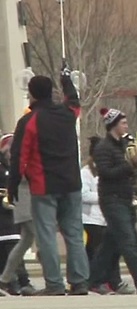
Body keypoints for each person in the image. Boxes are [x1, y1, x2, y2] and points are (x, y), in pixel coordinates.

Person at [8, 63, 90, 296]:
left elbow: (19, 157)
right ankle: (80, 281)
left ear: (31, 94)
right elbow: (74, 99)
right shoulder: (67, 114)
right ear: (51, 91)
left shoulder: (29, 121)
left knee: (46, 236)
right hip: (72, 183)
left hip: (44, 185)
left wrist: (13, 186)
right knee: (74, 233)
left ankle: (54, 284)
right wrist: (66, 78)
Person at [89, 107, 137, 295]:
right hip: (111, 198)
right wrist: (130, 164)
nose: (126, 126)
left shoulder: (124, 145)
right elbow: (106, 173)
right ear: (112, 125)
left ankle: (95, 280)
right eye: (123, 123)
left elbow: (128, 171)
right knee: (129, 241)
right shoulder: (103, 147)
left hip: (125, 196)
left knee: (111, 244)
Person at [82, 136, 134, 295]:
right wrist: (105, 196)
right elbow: (83, 195)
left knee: (114, 249)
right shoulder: (85, 172)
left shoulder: (108, 169)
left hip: (107, 217)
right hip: (91, 219)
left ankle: (114, 281)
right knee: (98, 251)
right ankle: (99, 281)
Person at [0, 134, 36, 296]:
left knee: (17, 244)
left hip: (14, 211)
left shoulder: (16, 166)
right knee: (9, 246)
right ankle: (12, 281)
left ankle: (21, 281)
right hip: (3, 215)